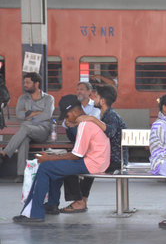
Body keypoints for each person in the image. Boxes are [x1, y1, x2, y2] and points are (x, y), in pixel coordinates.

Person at [12, 94, 110, 223]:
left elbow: (76, 155)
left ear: (75, 111)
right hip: (97, 161)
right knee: (55, 167)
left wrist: (49, 158)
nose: (66, 119)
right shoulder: (86, 122)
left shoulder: (84, 124)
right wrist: (55, 158)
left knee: (46, 167)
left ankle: (34, 213)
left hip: (93, 163)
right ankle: (52, 204)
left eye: (67, 115)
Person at [61, 85, 128, 213]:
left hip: (114, 161)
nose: (94, 98)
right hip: (109, 158)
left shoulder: (111, 116)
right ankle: (82, 200)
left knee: (71, 165)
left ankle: (79, 201)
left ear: (102, 101)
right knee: (84, 163)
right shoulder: (107, 115)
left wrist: (91, 118)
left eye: (96, 97)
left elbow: (111, 132)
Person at [0, 73, 54, 183]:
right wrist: (37, 113)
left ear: (36, 84)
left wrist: (29, 116)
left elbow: (47, 115)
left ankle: (5, 153)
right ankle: (22, 174)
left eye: (28, 83)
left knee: (25, 126)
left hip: (42, 131)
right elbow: (19, 115)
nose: (25, 85)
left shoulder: (48, 98)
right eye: (25, 82)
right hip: (27, 131)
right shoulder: (23, 98)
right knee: (23, 140)